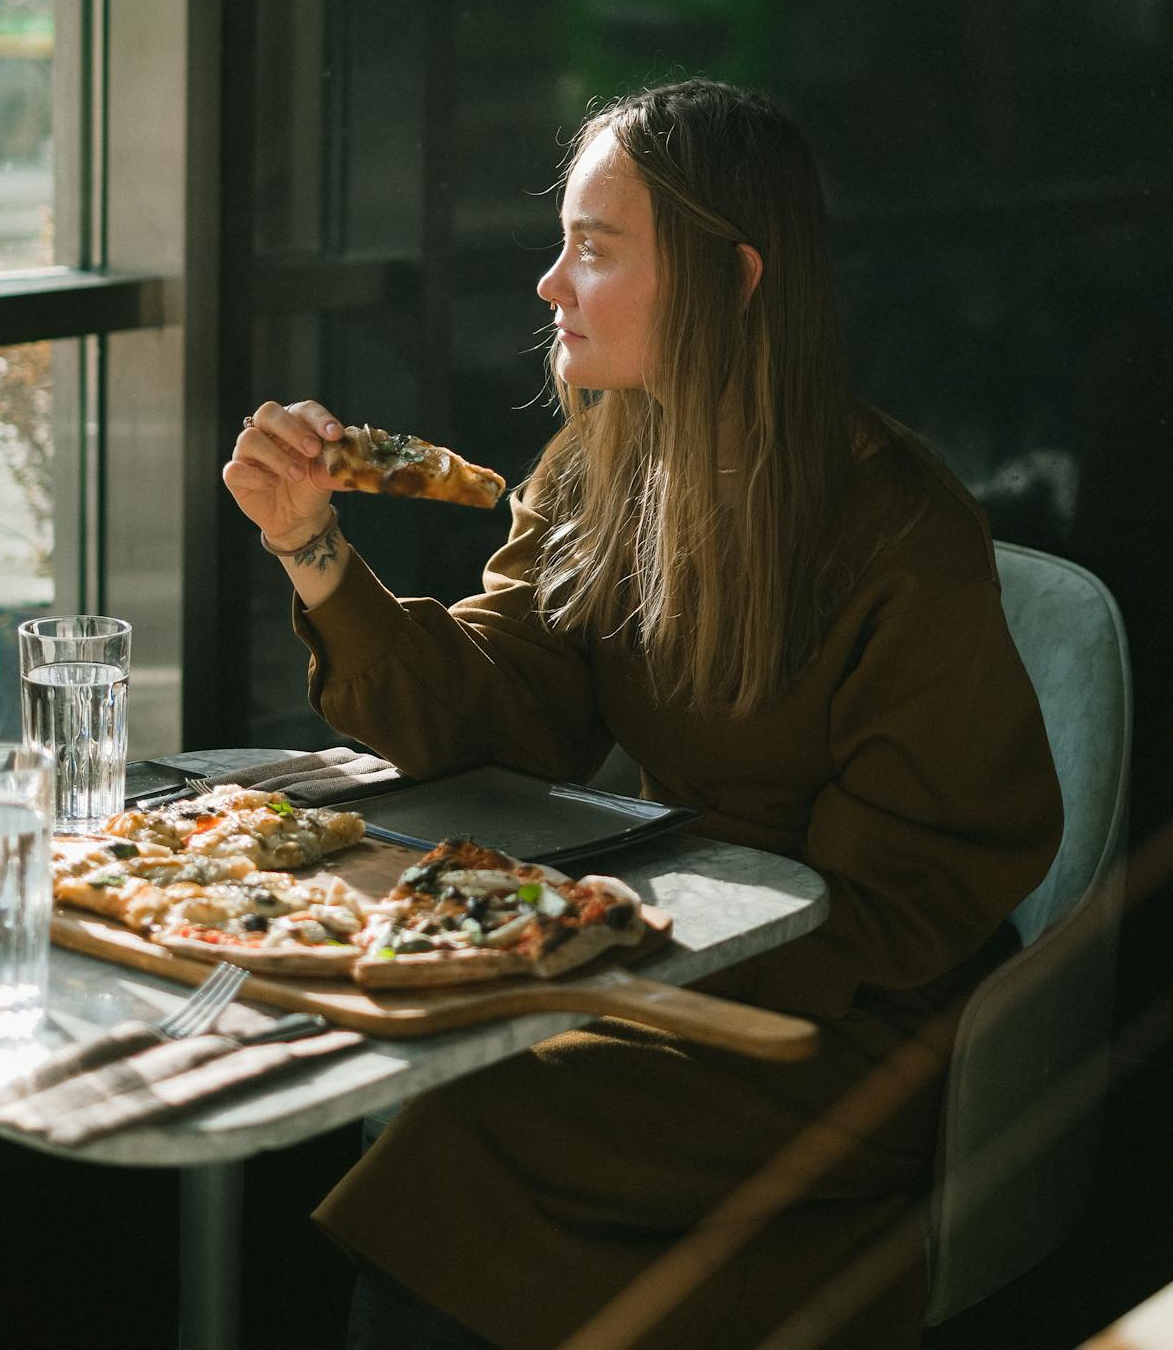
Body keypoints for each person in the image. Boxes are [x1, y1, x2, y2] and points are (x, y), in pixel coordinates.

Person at [223, 78, 1063, 1350]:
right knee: (429, 1087)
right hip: (680, 962)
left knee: (470, 1118)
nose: (550, 285)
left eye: (594, 250)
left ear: (732, 280)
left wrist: (628, 954)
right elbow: (498, 711)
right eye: (561, 245)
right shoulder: (600, 471)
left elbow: (914, 892)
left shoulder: (900, 529)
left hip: (864, 1023)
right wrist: (315, 552)